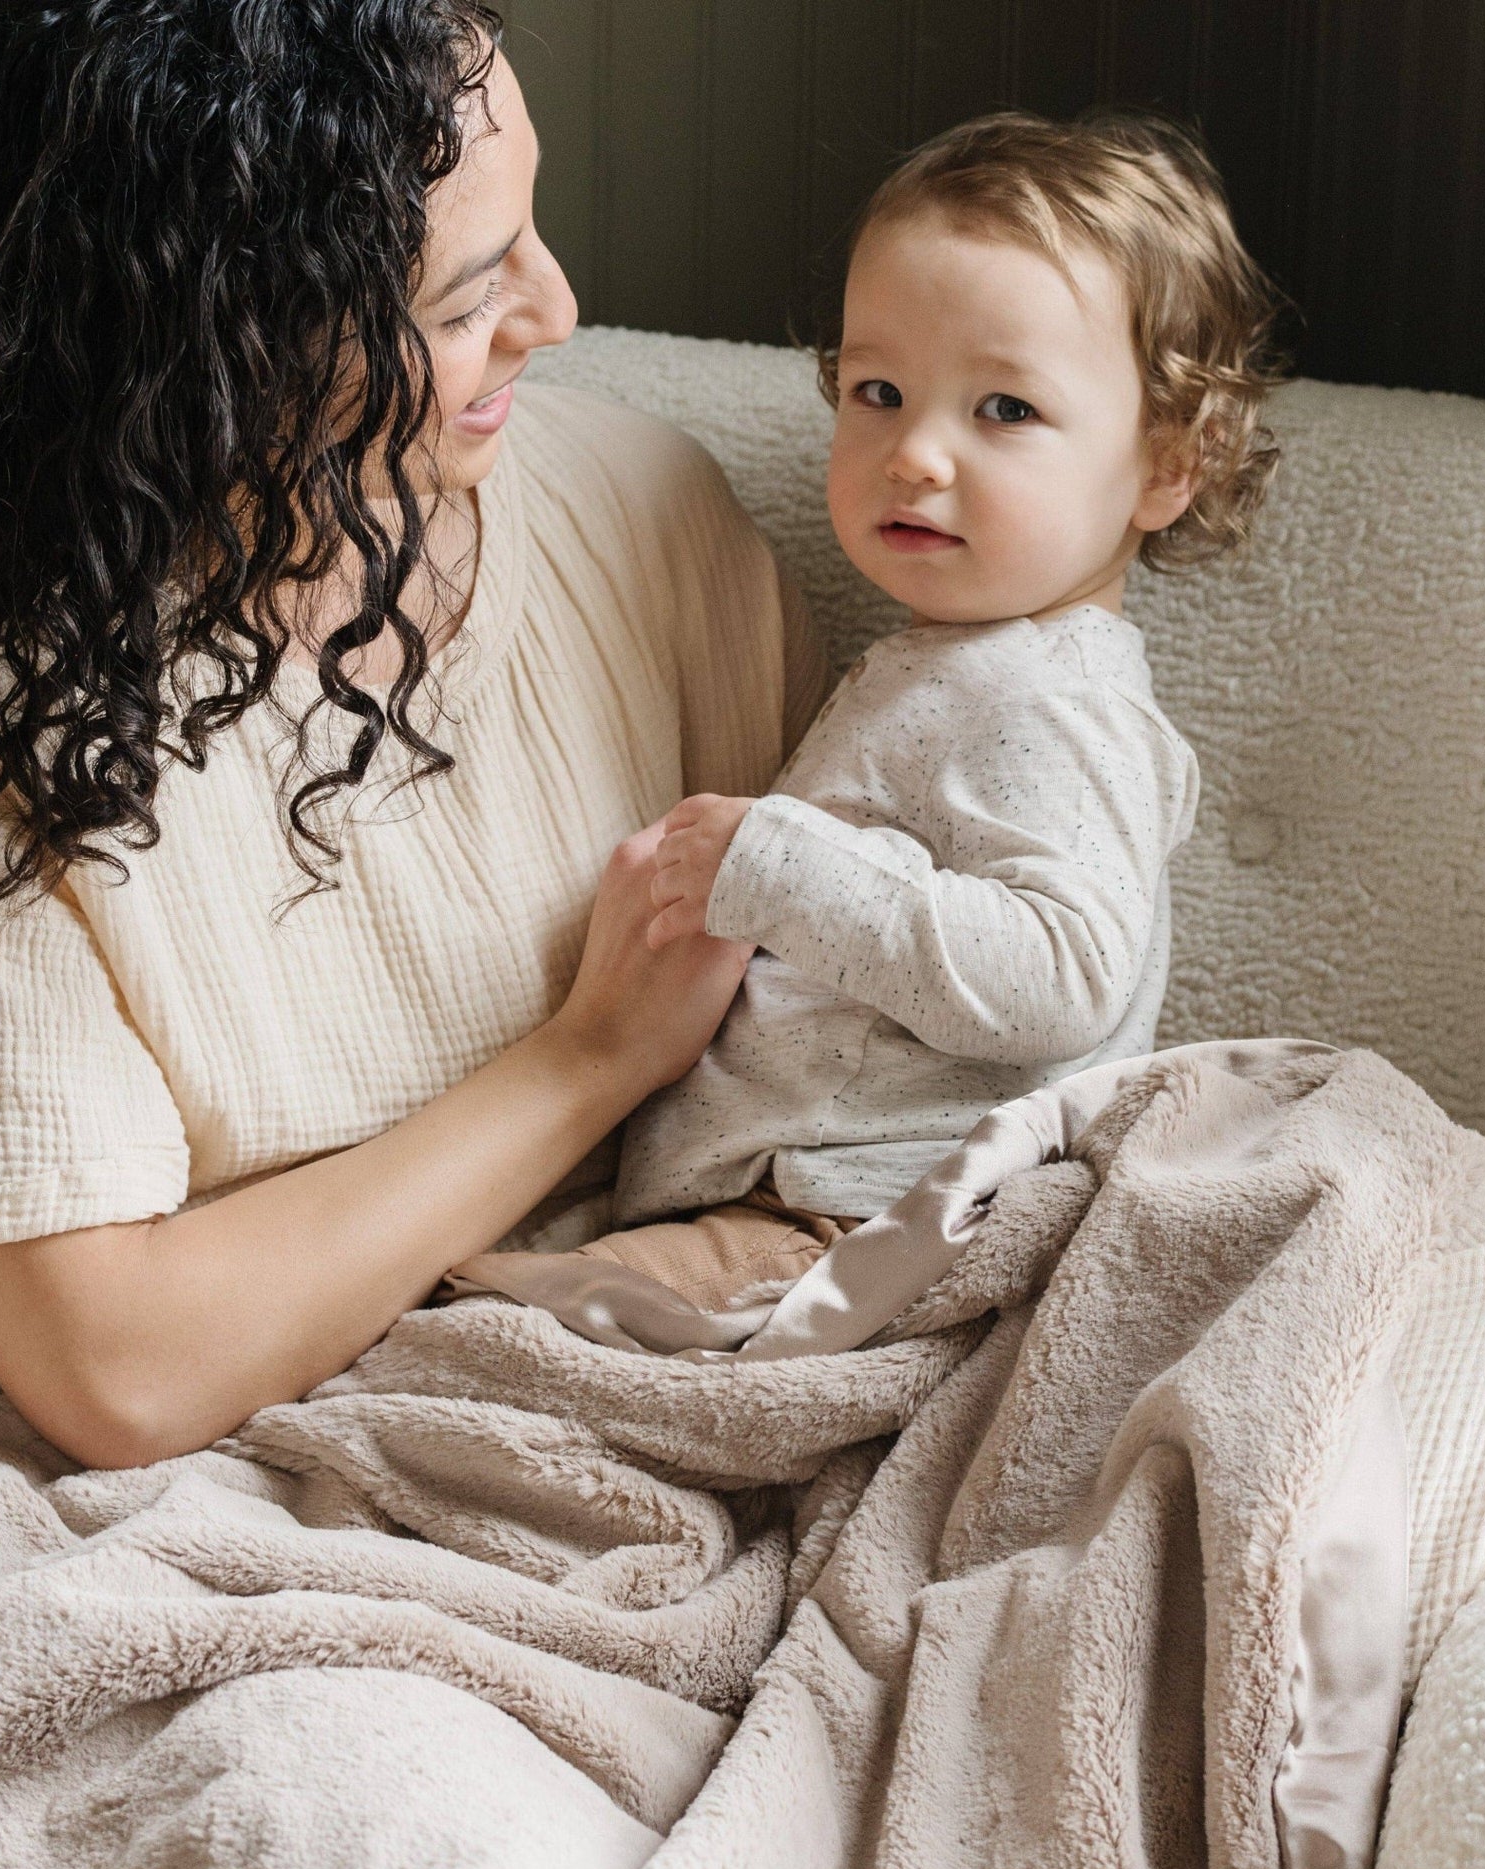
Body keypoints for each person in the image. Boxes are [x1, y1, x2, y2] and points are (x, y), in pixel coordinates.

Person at [0, 0, 823, 1473]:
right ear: (225, 341)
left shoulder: (644, 512)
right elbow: (119, 1372)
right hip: (232, 1478)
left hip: (678, 1381)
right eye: (471, 296)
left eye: (529, 235)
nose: (557, 311)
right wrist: (586, 1059)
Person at [452, 112, 1274, 1320]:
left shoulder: (1058, 699)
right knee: (497, 1311)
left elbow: (1063, 974)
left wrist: (777, 870)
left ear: (1166, 465)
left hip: (867, 1212)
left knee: (490, 1329)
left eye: (1003, 410)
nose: (913, 455)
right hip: (793, 1188)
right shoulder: (959, 661)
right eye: (878, 390)